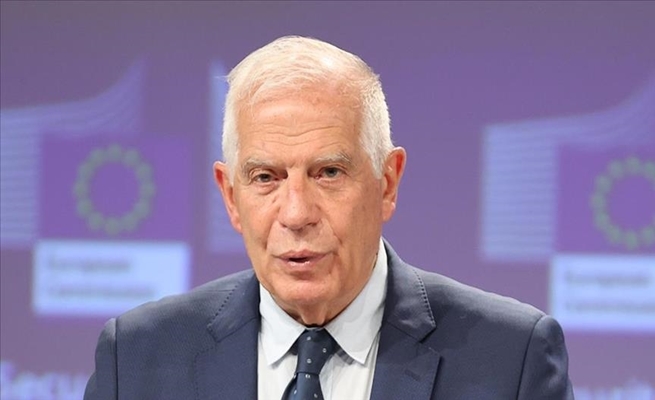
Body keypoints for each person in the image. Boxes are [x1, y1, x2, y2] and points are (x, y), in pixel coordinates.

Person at [84, 36, 573, 400]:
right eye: (265, 177)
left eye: (329, 172)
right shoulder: (137, 360)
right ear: (230, 197)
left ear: (387, 182)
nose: (296, 214)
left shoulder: (511, 359)